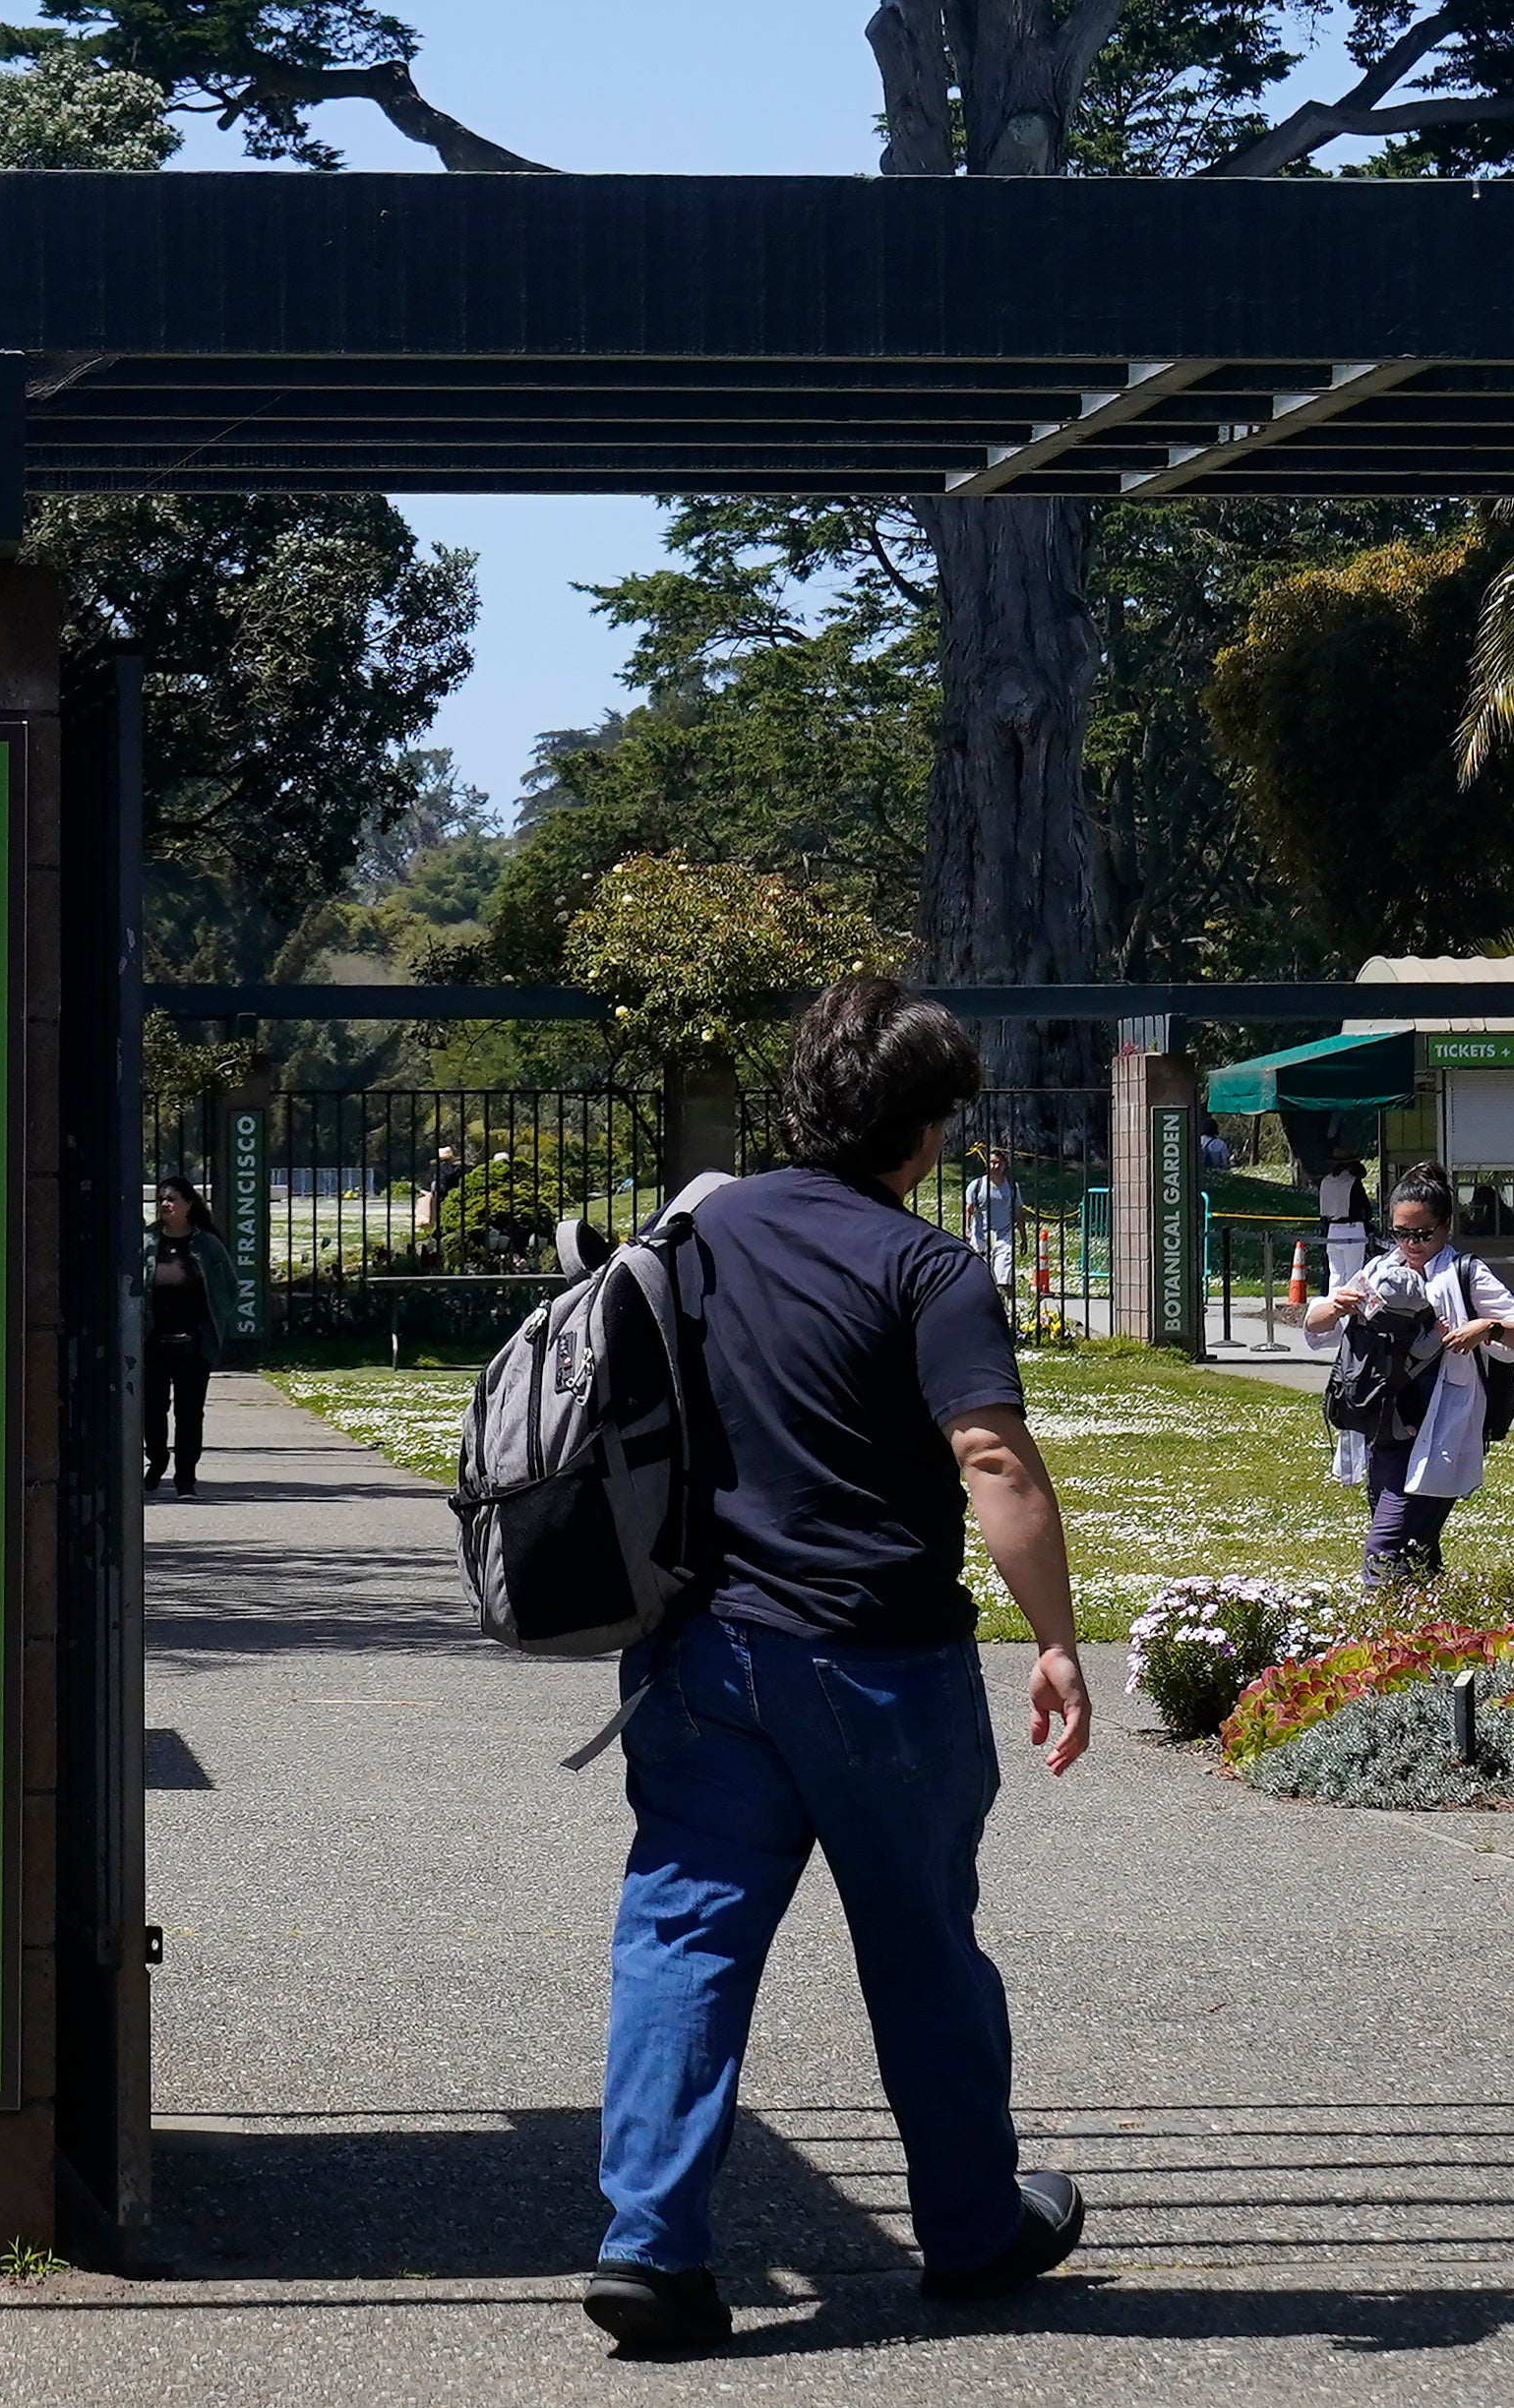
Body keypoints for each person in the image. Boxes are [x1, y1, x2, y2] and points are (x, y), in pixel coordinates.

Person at [585, 978, 1093, 2354]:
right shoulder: (926, 1267)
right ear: (923, 1128)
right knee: (921, 1947)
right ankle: (973, 2229)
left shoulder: (698, 1231)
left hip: (699, 1652)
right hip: (879, 1665)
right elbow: (988, 1456)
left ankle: (651, 2249)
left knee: (682, 1935)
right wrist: (1053, 1639)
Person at [1302, 1164, 1514, 1588]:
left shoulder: (1464, 1275)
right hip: (1383, 1430)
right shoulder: (1378, 1271)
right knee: (1418, 1550)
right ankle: (1436, 1638)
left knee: (1386, 1548)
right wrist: (1338, 1305)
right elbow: (1316, 1326)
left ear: (1445, 1227)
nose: (1410, 1244)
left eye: (1422, 1235)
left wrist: (1488, 1328)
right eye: (1399, 1233)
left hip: (1440, 1430)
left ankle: (1380, 1639)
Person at [141, 1181, 222, 1498]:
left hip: (194, 1344)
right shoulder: (148, 1241)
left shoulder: (207, 1244)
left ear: (189, 1204)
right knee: (152, 1409)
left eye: (172, 1199)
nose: (165, 1204)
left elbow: (227, 1287)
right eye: (161, 1199)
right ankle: (157, 1460)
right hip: (153, 1342)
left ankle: (185, 1476)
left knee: (189, 1412)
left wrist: (212, 1325)